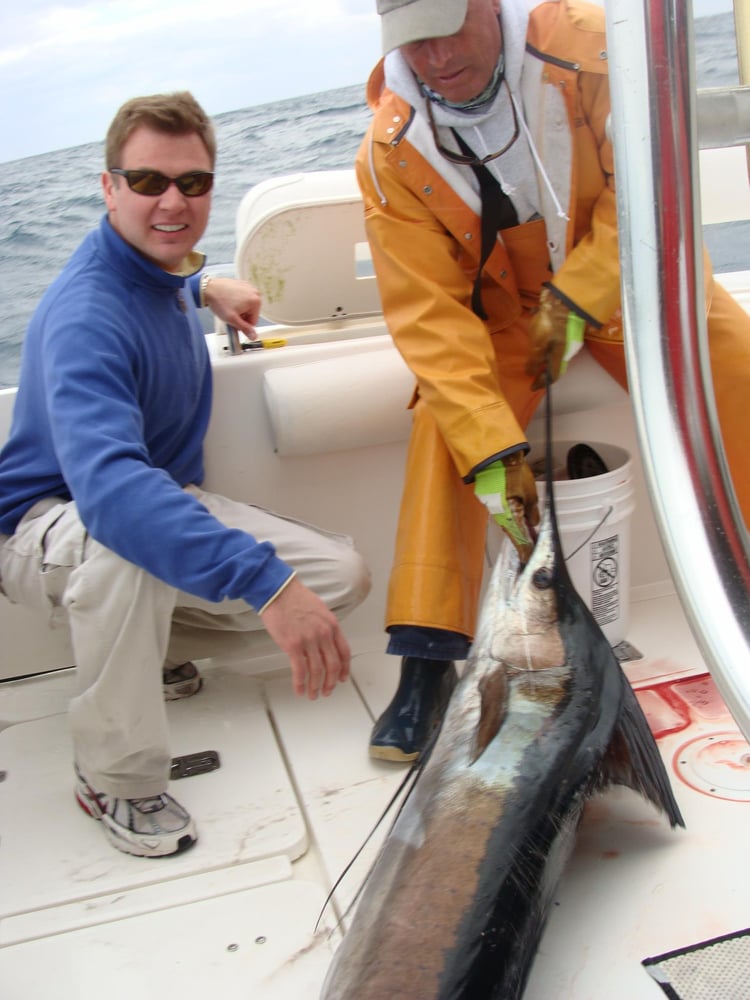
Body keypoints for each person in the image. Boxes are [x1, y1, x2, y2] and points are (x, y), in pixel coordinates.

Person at [356, 0, 750, 762]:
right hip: (506, 315)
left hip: (627, 277)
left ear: (488, 5)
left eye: (447, 28)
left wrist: (580, 296)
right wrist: (493, 455)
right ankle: (428, 661)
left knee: (731, 360)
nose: (435, 58)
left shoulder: (595, 47)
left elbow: (649, 185)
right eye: (414, 41)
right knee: (446, 427)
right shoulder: (388, 150)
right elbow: (430, 318)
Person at [0, 91, 370, 857]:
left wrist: (203, 285)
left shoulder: (162, 273)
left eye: (193, 184)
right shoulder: (83, 316)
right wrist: (265, 584)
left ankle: (154, 650)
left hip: (147, 500)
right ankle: (114, 777)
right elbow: (110, 496)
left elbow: (156, 275)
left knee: (340, 577)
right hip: (45, 524)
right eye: (147, 182)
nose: (173, 201)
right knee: (126, 545)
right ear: (109, 188)